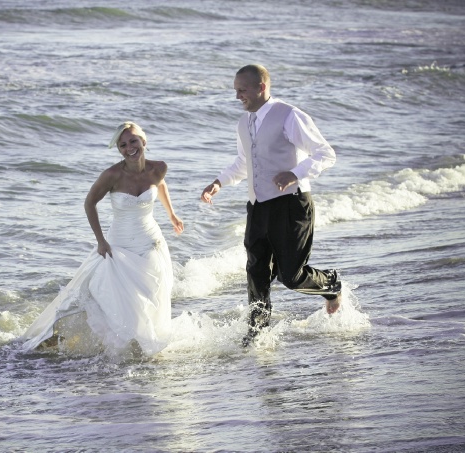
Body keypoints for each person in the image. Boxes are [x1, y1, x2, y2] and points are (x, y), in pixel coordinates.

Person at [200, 64, 342, 347]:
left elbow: (325, 154)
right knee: (256, 273)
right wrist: (219, 182)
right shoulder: (244, 123)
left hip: (291, 205)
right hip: (257, 207)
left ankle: (331, 283)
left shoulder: (289, 115)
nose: (238, 96)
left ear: (261, 87)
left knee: (291, 276)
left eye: (242, 90)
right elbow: (244, 162)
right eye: (236, 90)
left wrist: (295, 173)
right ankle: (257, 334)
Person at [21, 121, 184, 355]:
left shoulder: (159, 167)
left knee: (151, 293)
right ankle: (108, 342)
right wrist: (100, 240)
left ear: (143, 141)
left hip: (150, 241)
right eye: (122, 145)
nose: (129, 148)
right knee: (109, 295)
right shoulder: (112, 175)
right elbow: (89, 203)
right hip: (118, 244)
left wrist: (172, 215)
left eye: (133, 141)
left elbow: (160, 185)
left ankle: (144, 340)